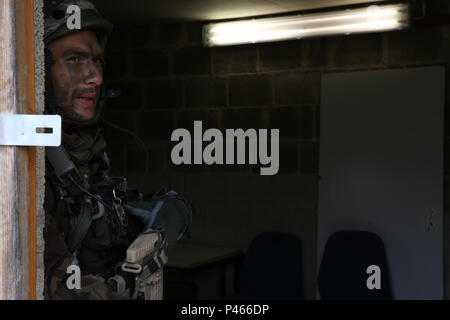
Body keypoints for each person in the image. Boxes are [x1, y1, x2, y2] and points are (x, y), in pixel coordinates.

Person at [43, 0, 192, 300]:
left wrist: (165, 222)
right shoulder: (23, 167)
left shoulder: (88, 156)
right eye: (74, 59)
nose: (94, 77)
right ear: (42, 73)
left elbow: (135, 209)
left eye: (96, 61)